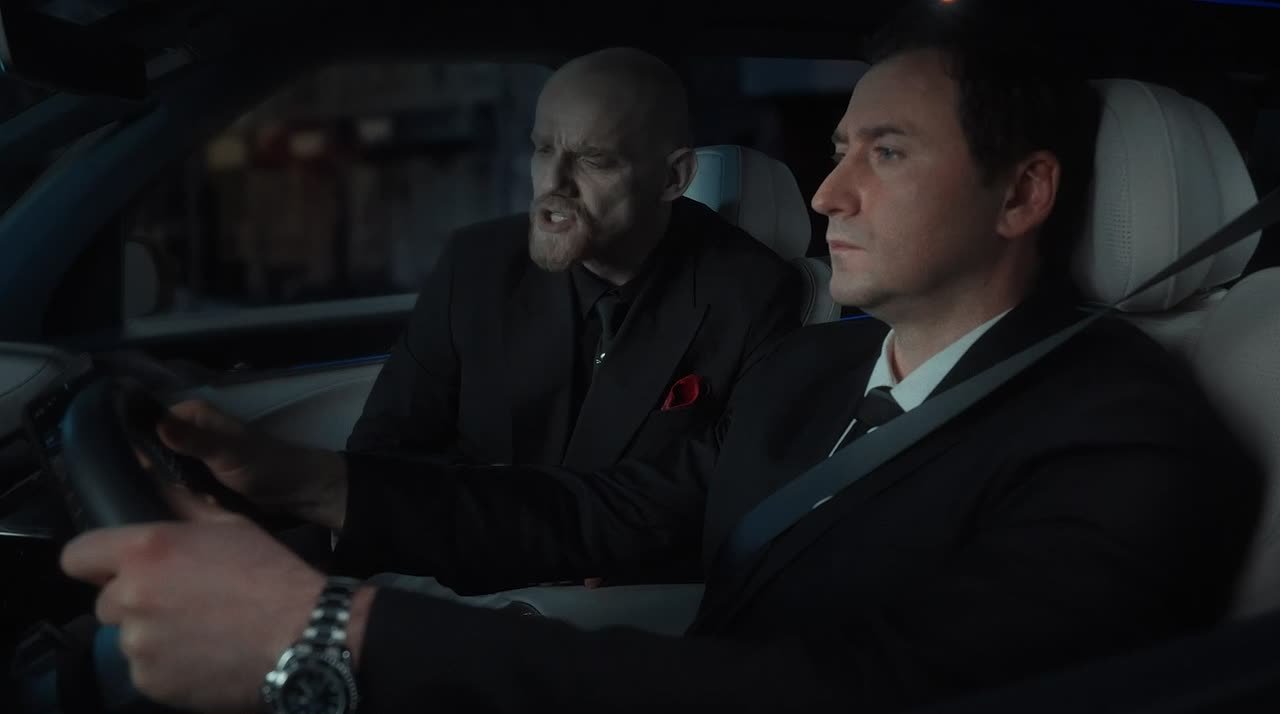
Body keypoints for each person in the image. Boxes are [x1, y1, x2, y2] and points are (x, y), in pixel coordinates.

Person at [59, 5, 1261, 714]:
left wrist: (334, 634)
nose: (827, 193)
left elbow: (860, 693)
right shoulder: (811, 373)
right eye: (839, 147)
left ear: (1021, 194)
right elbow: (607, 513)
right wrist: (306, 482)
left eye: (885, 152)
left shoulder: (1121, 438)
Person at [347, 47, 801, 477]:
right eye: (543, 149)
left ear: (671, 177)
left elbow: (695, 495)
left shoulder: (749, 294)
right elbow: (381, 455)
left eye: (592, 159)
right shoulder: (476, 263)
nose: (552, 183)